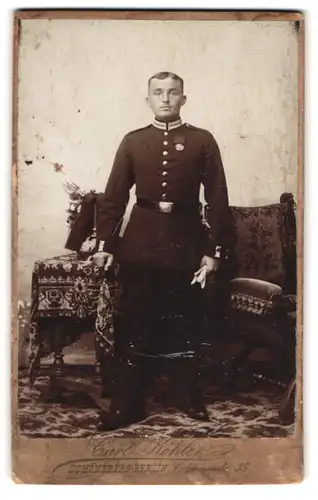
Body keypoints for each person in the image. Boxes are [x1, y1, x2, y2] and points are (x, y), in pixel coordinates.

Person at [92, 71, 230, 431]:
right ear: (148, 100)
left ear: (184, 98)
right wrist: (105, 244)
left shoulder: (202, 141)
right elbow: (114, 196)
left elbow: (217, 198)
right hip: (139, 244)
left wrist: (214, 250)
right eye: (158, 93)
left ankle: (185, 393)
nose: (166, 99)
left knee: (185, 321)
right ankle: (129, 400)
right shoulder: (133, 142)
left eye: (173, 93)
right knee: (135, 323)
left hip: (186, 245)